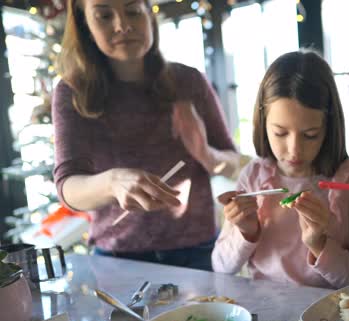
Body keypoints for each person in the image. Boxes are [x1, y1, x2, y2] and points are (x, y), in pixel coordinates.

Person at [52, 0, 238, 270]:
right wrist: (112, 182)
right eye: (104, 15)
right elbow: (67, 187)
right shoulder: (71, 91)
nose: (123, 26)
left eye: (133, 11)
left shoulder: (189, 81)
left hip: (197, 251)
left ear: (149, 14)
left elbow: (233, 164)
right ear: (85, 25)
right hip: (118, 257)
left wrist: (206, 154)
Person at [212, 50, 349, 289]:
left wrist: (319, 243)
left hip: (329, 316)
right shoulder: (255, 176)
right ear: (263, 123)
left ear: (328, 128)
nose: (294, 151)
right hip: (264, 310)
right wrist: (246, 231)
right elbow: (221, 267)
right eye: (280, 133)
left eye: (310, 135)